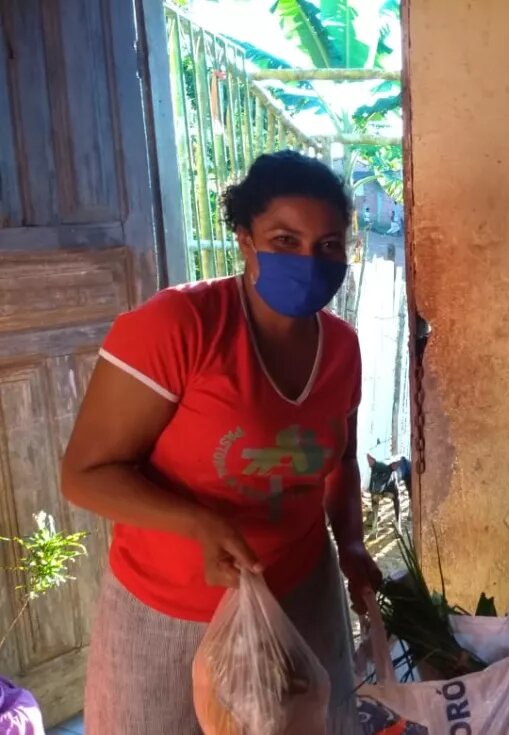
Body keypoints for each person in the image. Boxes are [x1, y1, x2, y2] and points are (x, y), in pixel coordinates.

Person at [61, 150, 381, 734]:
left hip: (300, 596)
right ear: (245, 241)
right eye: (285, 239)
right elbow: (86, 473)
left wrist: (353, 544)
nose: (310, 259)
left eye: (329, 244)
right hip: (167, 612)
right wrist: (198, 523)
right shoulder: (179, 328)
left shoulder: (341, 348)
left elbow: (338, 462)